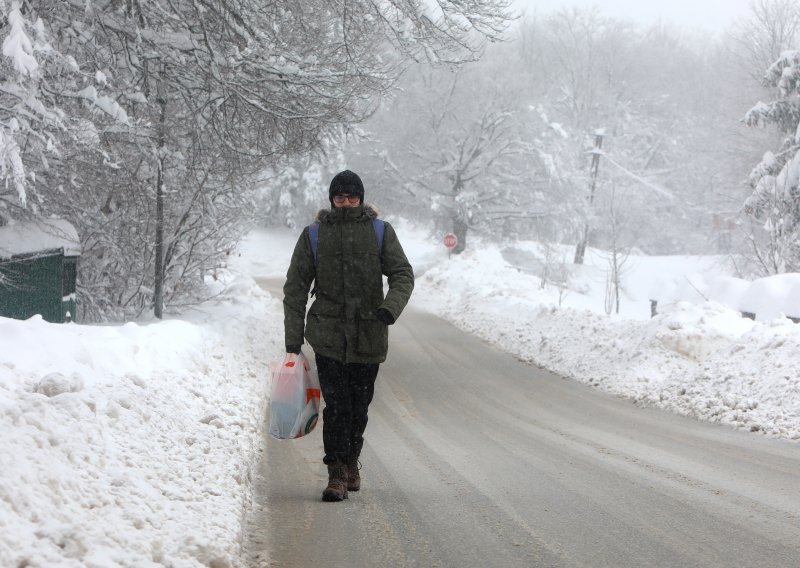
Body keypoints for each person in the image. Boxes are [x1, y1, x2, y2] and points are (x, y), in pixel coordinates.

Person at [283, 170, 414, 502]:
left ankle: (352, 459)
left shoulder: (380, 232)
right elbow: (296, 288)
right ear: (331, 199)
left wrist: (390, 308)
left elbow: (402, 273)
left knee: (360, 406)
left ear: (361, 198)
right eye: (339, 197)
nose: (345, 203)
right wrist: (293, 340)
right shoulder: (314, 235)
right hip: (327, 335)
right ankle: (336, 472)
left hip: (369, 333)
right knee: (337, 405)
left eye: (351, 197)